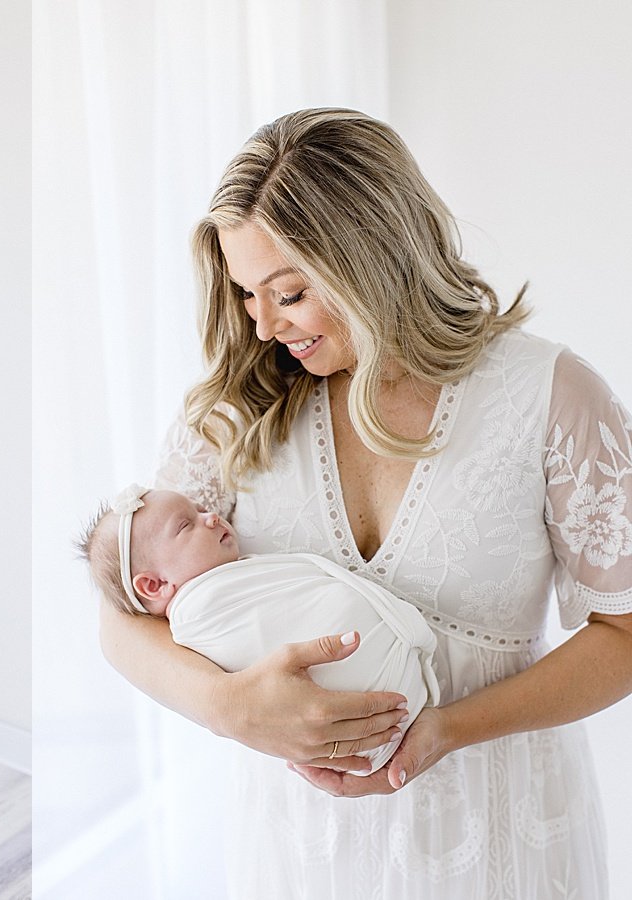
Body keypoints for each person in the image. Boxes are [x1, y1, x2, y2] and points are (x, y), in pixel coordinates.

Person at [99, 107, 632, 897]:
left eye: (289, 293)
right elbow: (122, 619)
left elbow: (623, 632)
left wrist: (448, 731)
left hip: (496, 832)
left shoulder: (549, 396)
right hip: (301, 845)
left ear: (373, 258)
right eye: (247, 295)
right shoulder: (235, 412)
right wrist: (228, 707)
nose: (266, 325)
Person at [78, 484, 438, 774]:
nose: (211, 516)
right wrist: (226, 704)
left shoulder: (228, 577)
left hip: (413, 716)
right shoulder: (199, 613)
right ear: (154, 586)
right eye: (186, 524)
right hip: (343, 728)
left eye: (200, 510)